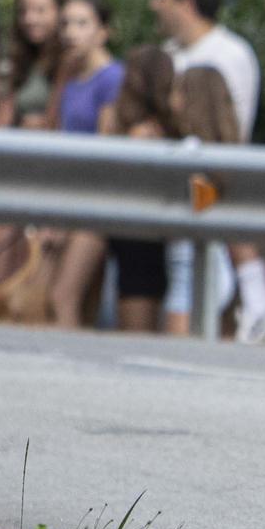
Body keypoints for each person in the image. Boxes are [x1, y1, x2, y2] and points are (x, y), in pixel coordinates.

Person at [150, 0, 263, 339]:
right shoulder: (167, 54)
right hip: (165, 186)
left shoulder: (229, 54)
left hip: (206, 187)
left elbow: (231, 135)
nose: (155, 5)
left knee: (192, 273)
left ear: (188, 1)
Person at [45, 0, 124, 327]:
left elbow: (106, 152)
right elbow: (55, 132)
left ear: (103, 31)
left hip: (94, 199)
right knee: (77, 301)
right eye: (65, 24)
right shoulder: (73, 78)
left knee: (62, 296)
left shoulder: (112, 77)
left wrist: (69, 216)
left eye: (82, 23)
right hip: (67, 193)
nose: (71, 32)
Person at [163, 66, 244, 334]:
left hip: (188, 267)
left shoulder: (189, 151)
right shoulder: (222, 153)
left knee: (178, 355)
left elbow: (198, 204)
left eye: (176, 90)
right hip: (214, 266)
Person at [104, 47, 180, 334]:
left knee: (135, 335)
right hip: (154, 235)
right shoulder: (173, 128)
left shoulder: (127, 127)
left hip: (135, 237)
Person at [0, 0, 70, 129]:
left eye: (40, 10)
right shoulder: (23, 58)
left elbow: (56, 120)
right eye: (24, 11)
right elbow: (4, 114)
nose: (30, 18)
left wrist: (38, 123)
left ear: (61, 13)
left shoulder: (68, 59)